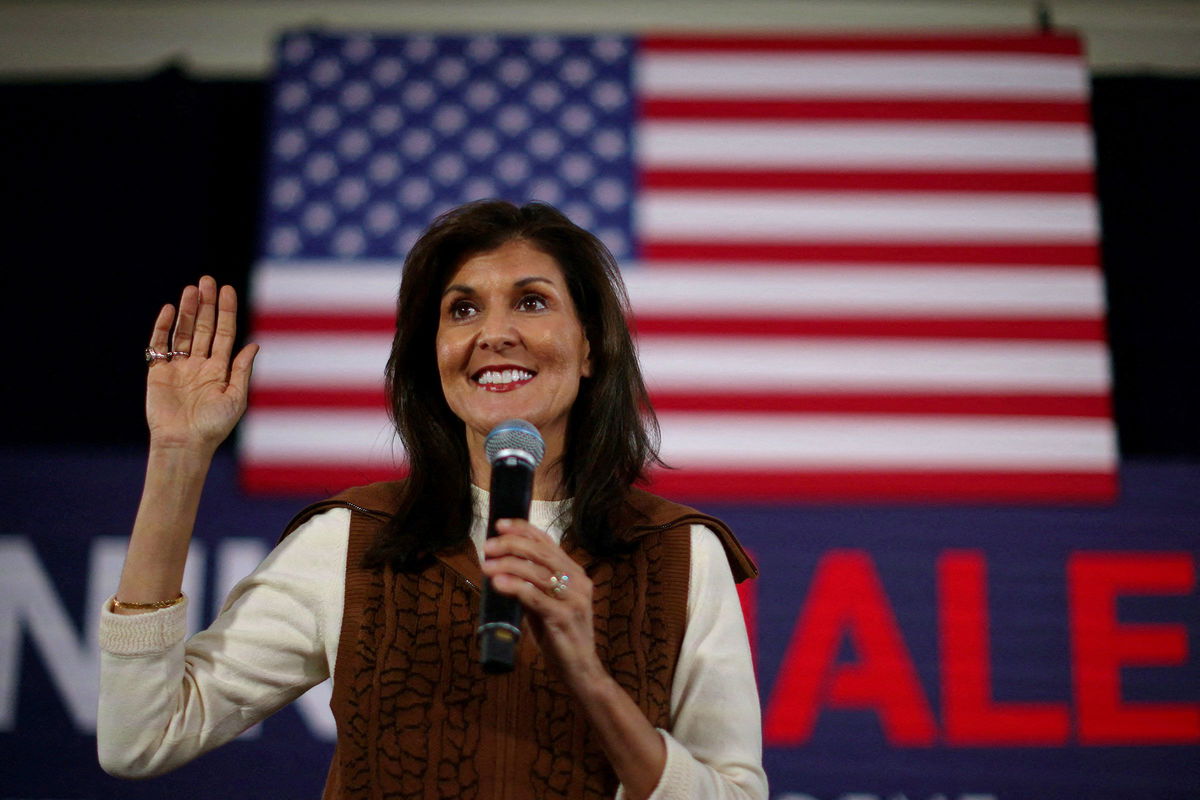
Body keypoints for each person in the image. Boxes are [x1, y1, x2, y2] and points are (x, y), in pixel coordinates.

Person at [98, 200, 767, 799]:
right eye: (463, 308)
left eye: (531, 302)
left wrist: (591, 679)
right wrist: (178, 459)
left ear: (590, 347)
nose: (493, 333)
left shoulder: (680, 552)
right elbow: (142, 738)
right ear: (434, 353)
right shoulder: (354, 539)